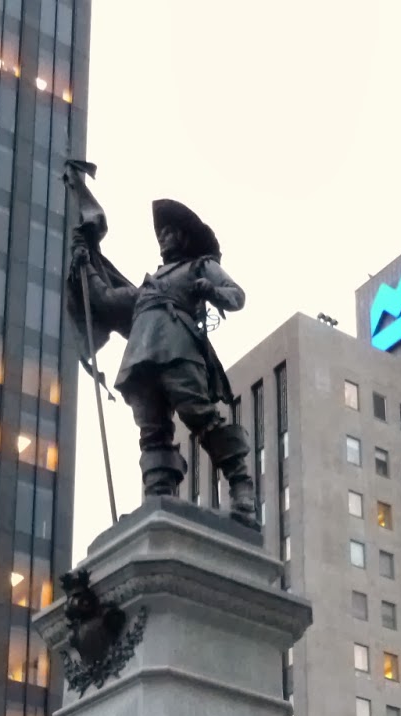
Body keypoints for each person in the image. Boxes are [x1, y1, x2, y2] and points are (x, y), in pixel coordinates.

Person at [65, 169, 256, 521]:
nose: (164, 238)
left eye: (170, 232)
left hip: (178, 347)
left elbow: (237, 296)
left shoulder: (199, 266)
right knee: (152, 429)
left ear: (184, 237)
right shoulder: (146, 288)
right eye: (161, 233)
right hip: (141, 357)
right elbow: (106, 299)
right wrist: (85, 262)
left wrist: (211, 291)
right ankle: (158, 494)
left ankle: (241, 485)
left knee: (199, 413)